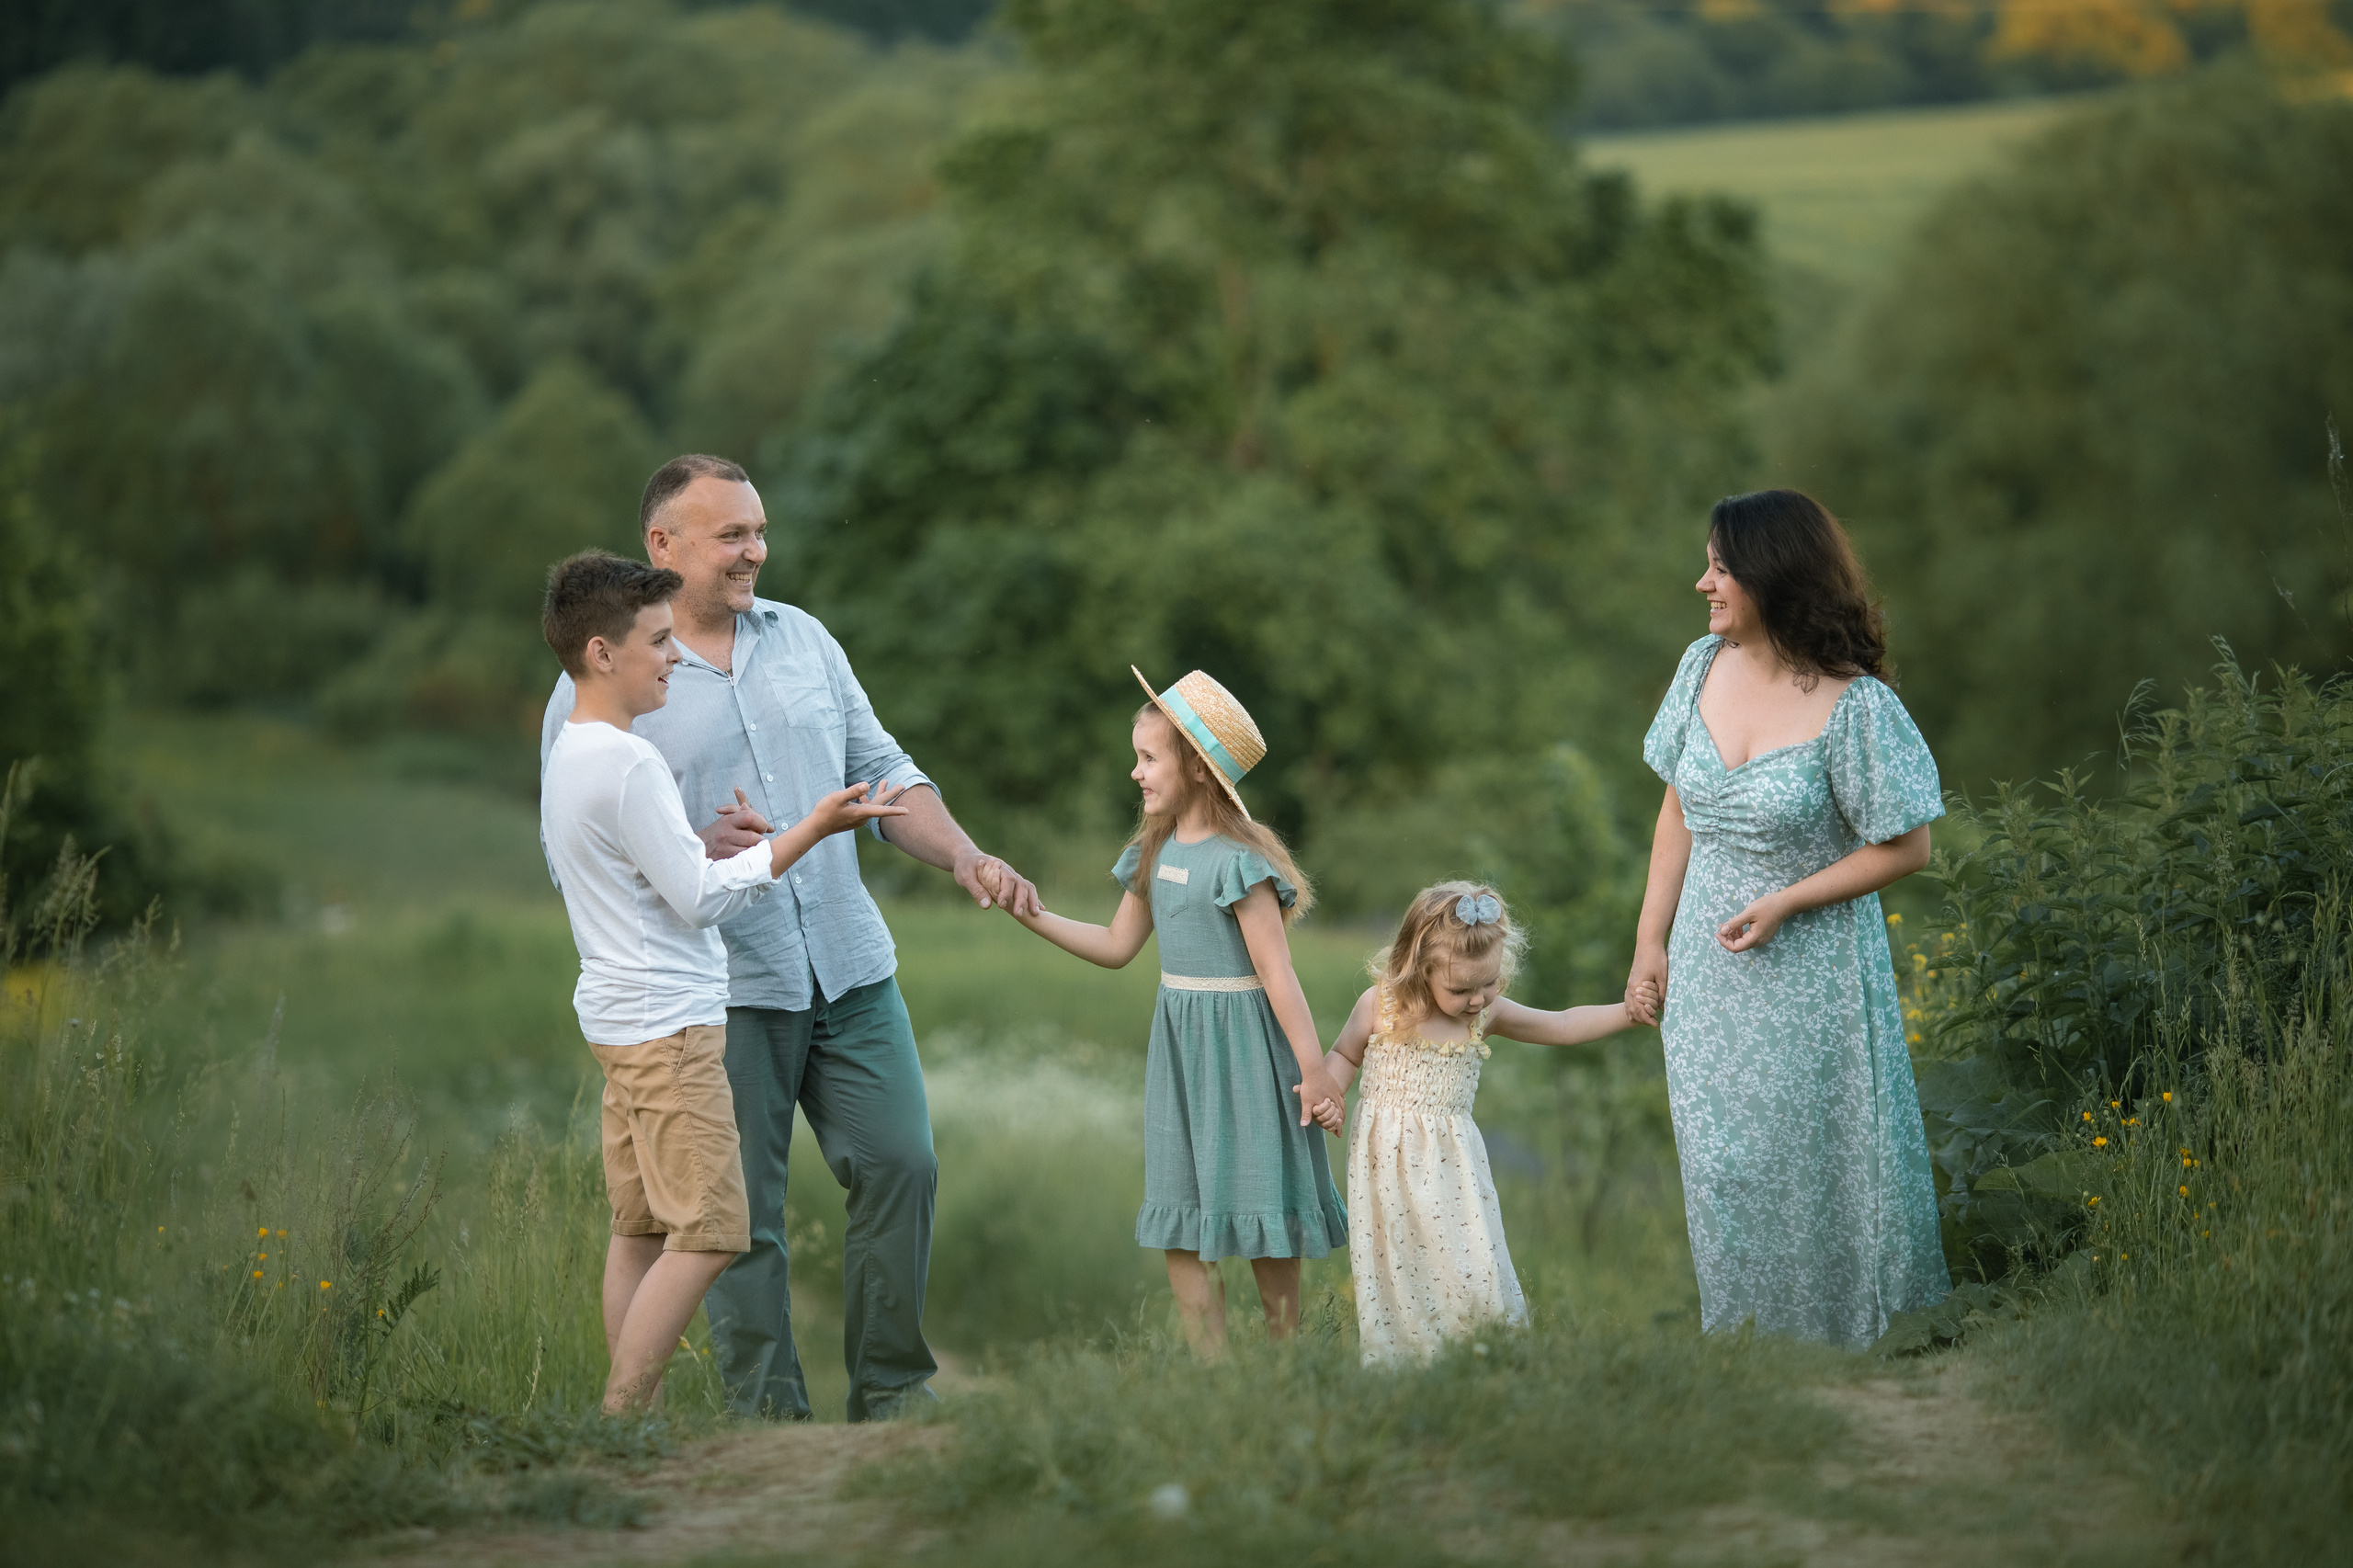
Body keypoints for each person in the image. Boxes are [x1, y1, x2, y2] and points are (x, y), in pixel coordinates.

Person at [540, 454, 1041, 1423]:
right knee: (739, 1219)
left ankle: (894, 1390)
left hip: (849, 963)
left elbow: (882, 772)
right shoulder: (600, 682)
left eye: (757, 530)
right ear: (664, 544)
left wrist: (966, 855)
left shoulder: (804, 639)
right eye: (731, 534)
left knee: (903, 1161)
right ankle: (763, 1417)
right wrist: (693, 844)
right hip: (723, 987)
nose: (755, 550)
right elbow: (577, 857)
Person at [536, 550, 907, 1412]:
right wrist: (810, 829)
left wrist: (697, 844)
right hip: (672, 1025)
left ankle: (638, 1426)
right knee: (709, 1232)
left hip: (618, 1018)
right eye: (658, 643)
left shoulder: (577, 754)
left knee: (639, 1228)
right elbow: (701, 903)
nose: (673, 659)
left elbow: (640, 872)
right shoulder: (630, 763)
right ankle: (624, 1411)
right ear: (601, 653)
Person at [1623, 489, 1950, 1348]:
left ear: (1773, 575)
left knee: (1811, 1164)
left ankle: (1846, 1346)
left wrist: (1789, 898)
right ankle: (1747, 1347)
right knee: (1725, 1167)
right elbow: (1675, 816)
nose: (1703, 583)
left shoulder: (1855, 706)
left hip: (1813, 978)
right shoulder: (1699, 666)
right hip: (1705, 973)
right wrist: (1650, 942)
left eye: (1721, 567)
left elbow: (1908, 847)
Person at [982, 668, 1347, 1355]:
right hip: (1181, 1058)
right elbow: (1117, 946)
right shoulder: (1152, 853)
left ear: (1198, 770)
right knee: (1180, 1210)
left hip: (1247, 1057)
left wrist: (1315, 1071)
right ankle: (1209, 1373)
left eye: (1149, 758)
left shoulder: (1240, 864)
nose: (1135, 773)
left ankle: (1284, 1365)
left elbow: (1278, 973)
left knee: (1260, 1201)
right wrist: (1028, 914)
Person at [1307, 884, 1652, 1364]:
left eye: (1487, 984)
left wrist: (1627, 1014)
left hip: (1452, 1170)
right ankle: (1406, 1362)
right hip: (1385, 1170)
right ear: (1418, 966)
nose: (1476, 999)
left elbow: (1563, 1025)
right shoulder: (1380, 1007)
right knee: (1399, 1266)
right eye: (1461, 989)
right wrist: (1331, 1097)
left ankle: (1482, 1351)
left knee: (1465, 1260)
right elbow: (1344, 1055)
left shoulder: (1485, 1016)